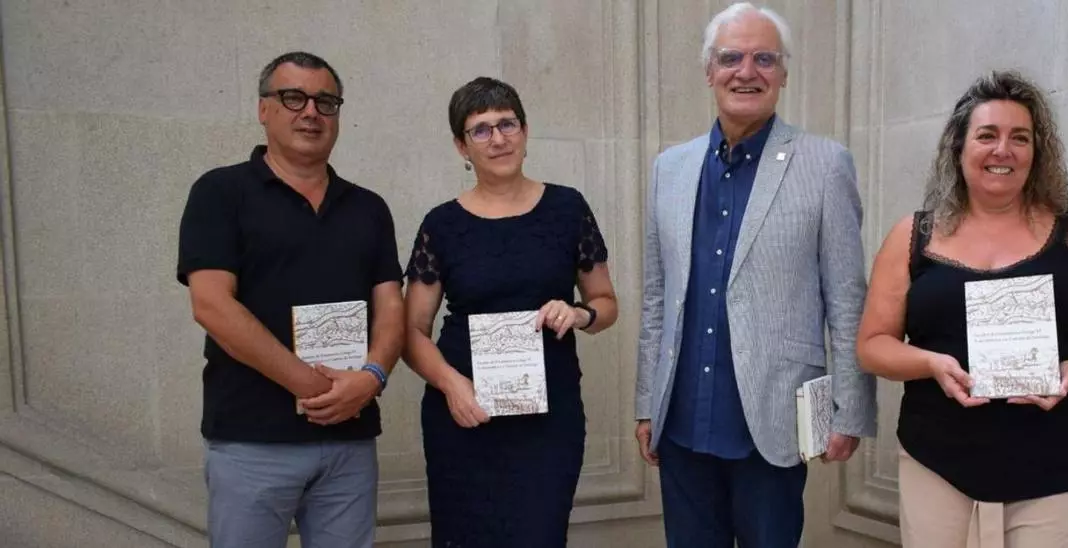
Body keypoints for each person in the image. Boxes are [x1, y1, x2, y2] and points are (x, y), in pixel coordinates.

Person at [856, 70, 1068, 547]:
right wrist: (930, 363)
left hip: (1057, 466)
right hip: (937, 462)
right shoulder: (912, 236)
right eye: (987, 135)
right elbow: (872, 345)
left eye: (1020, 138)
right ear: (959, 147)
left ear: (1037, 151)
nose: (1002, 150)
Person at [632, 3, 877, 546]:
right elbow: (656, 298)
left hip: (772, 421)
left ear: (784, 73)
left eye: (764, 58)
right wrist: (647, 402)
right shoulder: (670, 169)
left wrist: (850, 411)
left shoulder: (825, 164)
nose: (747, 72)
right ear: (709, 70)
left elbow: (846, 299)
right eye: (731, 58)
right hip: (681, 421)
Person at [176, 51, 404, 548]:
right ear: (264, 109)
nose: (311, 112)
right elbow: (211, 306)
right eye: (294, 98)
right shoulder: (220, 192)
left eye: (326, 102)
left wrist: (373, 377)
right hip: (252, 442)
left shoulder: (368, 207)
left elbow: (391, 306)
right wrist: (313, 385)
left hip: (349, 442)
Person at [401, 76, 619, 548]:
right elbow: (411, 332)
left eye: (507, 124)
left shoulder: (568, 208)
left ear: (525, 131)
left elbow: (606, 304)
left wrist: (579, 314)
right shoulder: (442, 224)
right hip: (464, 414)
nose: (497, 139)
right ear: (461, 146)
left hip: (548, 419)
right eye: (481, 129)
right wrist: (451, 386)